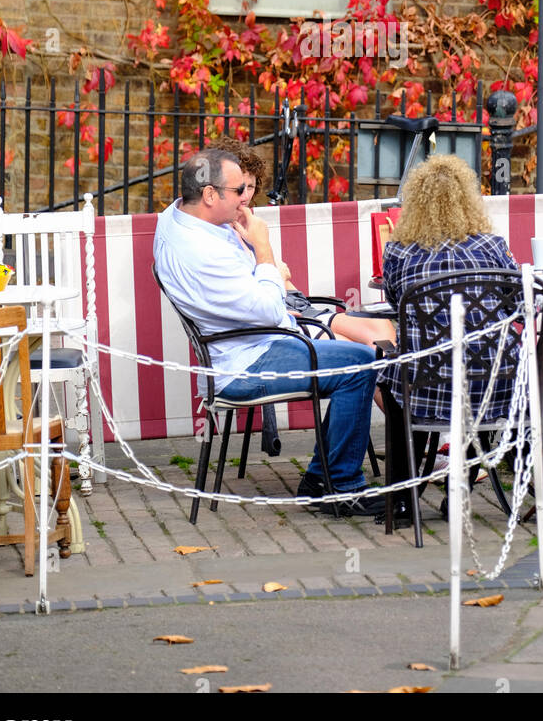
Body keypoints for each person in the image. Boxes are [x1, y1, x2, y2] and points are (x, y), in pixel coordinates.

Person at [154, 147, 381, 514]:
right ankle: (338, 484)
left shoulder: (179, 215)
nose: (246, 199)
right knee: (360, 363)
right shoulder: (202, 252)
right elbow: (270, 309)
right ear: (209, 195)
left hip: (250, 343)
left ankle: (331, 475)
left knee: (372, 344)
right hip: (246, 362)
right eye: (237, 191)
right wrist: (263, 249)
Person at [377, 153, 519, 525]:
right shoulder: (491, 246)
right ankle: (463, 487)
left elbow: (396, 305)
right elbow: (518, 301)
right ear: (468, 199)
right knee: (472, 366)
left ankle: (403, 500)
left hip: (428, 388)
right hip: (497, 384)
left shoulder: (398, 251)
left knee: (394, 378)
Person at [212, 136, 396, 353]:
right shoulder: (216, 234)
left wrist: (275, 268)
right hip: (277, 320)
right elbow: (262, 286)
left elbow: (281, 275)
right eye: (238, 188)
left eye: (250, 187)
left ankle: (387, 387)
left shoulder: (250, 224)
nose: (245, 196)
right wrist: (276, 271)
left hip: (298, 304)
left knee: (380, 327)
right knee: (354, 350)